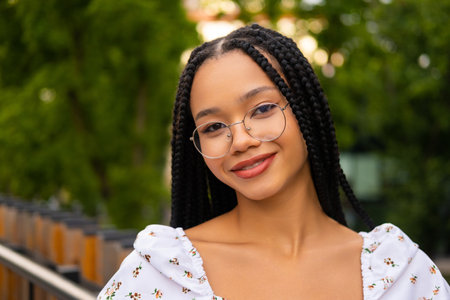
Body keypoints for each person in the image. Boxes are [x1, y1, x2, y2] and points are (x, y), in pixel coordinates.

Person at [98, 24, 449, 300]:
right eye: (214, 127)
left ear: (305, 110)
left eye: (262, 108)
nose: (241, 140)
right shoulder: (160, 274)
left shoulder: (400, 274)